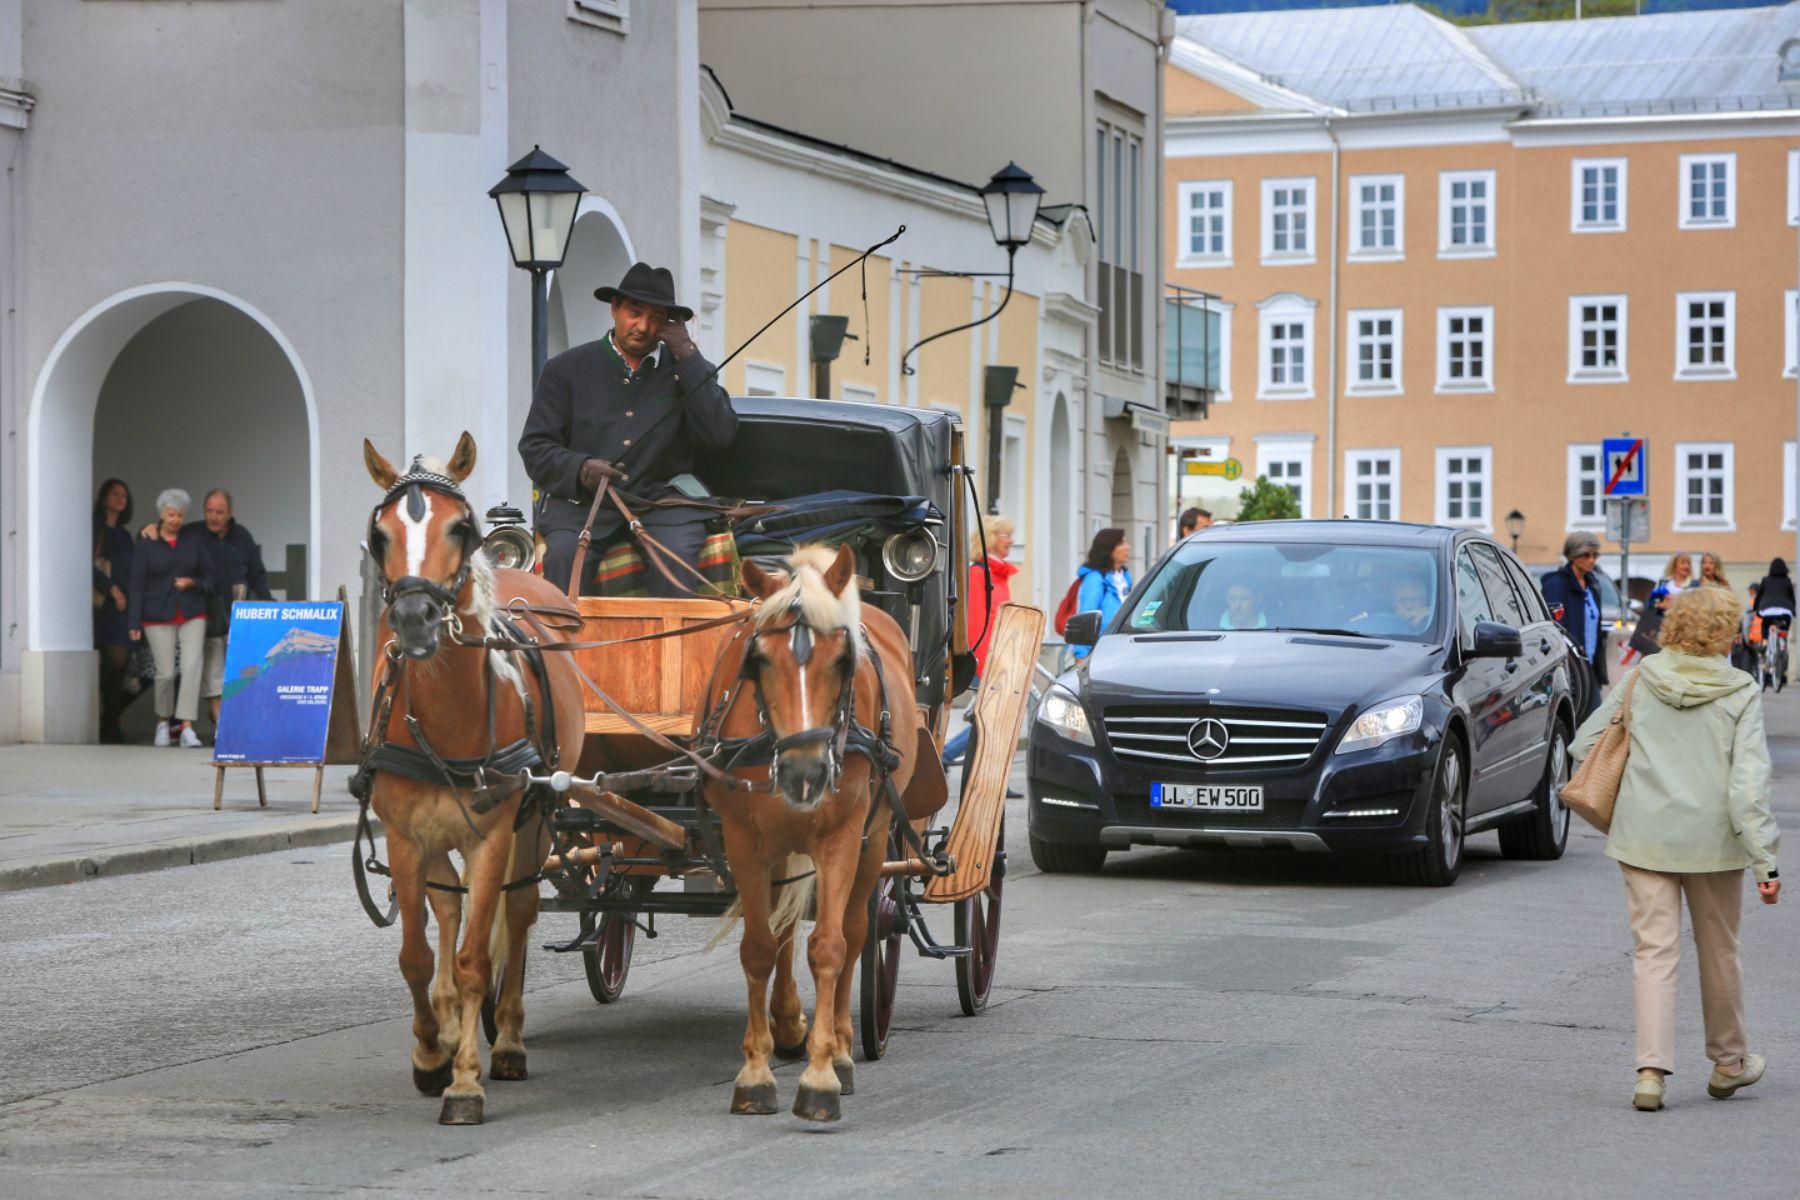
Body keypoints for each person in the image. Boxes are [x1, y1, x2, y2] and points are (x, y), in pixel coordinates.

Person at [1571, 587, 1780, 1113]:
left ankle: (1650, 1075)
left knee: (1653, 953)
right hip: (1714, 843)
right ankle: (1729, 1063)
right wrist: (1765, 859)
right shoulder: (1740, 691)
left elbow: (1584, 743)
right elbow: (1747, 785)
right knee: (1720, 951)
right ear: (1727, 631)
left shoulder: (1641, 678)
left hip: (1643, 836)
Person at [519, 262, 737, 597]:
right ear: (615, 309)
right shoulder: (564, 369)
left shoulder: (687, 370)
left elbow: (721, 435)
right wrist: (581, 469)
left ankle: (670, 650)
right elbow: (536, 447)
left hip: (663, 504)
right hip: (583, 505)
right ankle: (571, 650)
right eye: (635, 313)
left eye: (656, 318)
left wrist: (687, 354)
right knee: (564, 558)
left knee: (675, 562)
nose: (643, 327)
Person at [128, 488, 214, 748]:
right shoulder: (147, 542)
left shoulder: (193, 541)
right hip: (156, 614)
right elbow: (136, 583)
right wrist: (133, 621)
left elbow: (210, 578)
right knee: (164, 673)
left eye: (179, 515)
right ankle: (163, 723)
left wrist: (192, 582)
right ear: (161, 515)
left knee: (191, 668)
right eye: (170, 514)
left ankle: (187, 726)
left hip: (192, 611)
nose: (175, 520)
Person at [942, 515, 1016, 768]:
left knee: (993, 720)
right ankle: (947, 756)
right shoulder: (978, 574)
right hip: (987, 661)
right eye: (1006, 535)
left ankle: (993, 777)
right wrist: (985, 667)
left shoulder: (998, 574)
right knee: (990, 719)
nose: (1012, 541)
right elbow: (976, 626)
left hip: (1000, 658)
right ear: (992, 539)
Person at [1542, 532, 1608, 720]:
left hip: (1589, 666)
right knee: (1582, 722)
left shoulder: (1592, 585)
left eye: (1595, 555)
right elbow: (1554, 625)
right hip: (1568, 665)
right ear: (1573, 555)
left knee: (1594, 722)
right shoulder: (1557, 584)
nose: (1591, 560)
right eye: (1586, 555)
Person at [92, 478, 137, 744]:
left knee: (120, 669)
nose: (121, 498)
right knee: (115, 661)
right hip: (105, 606)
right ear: (104, 497)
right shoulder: (95, 528)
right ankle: (85, 702)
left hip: (124, 608)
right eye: (115, 494)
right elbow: (88, 565)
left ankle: (110, 725)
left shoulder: (124, 534)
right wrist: (111, 589)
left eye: (124, 495)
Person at [1070, 528, 1131, 661]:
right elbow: (1085, 618)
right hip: (1099, 656)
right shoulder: (1095, 579)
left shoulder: (1124, 577)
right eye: (1121, 544)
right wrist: (1081, 656)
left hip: (1121, 653)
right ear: (1108, 549)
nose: (1128, 548)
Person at [1749, 558, 1795, 688]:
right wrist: (1793, 610)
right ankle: (1783, 641)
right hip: (1784, 610)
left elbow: (1759, 597)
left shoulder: (1766, 580)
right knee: (1786, 621)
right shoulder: (1787, 581)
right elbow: (1791, 597)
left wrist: (1756, 610)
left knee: (1765, 624)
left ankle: (1764, 642)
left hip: (1767, 610)